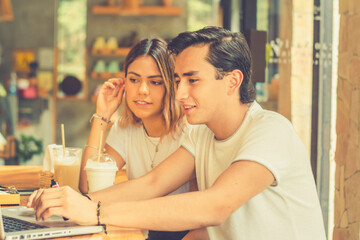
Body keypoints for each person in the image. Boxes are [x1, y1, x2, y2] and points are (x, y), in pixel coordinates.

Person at [29, 27, 326, 239]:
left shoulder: (270, 130)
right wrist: (73, 204)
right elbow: (153, 183)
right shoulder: (201, 133)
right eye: (177, 79)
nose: (180, 92)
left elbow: (215, 206)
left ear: (232, 81)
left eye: (192, 80)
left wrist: (95, 212)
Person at [80, 38, 191, 240]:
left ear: (171, 85)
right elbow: (88, 185)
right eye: (134, 79)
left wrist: (82, 205)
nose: (142, 90)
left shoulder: (190, 129)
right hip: (140, 232)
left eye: (155, 82)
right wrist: (102, 116)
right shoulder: (126, 128)